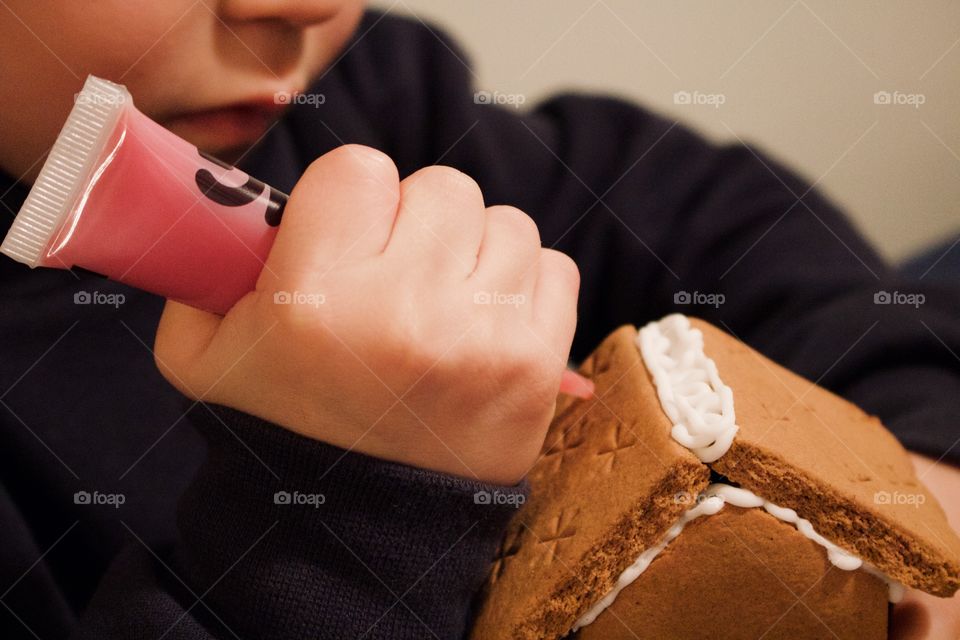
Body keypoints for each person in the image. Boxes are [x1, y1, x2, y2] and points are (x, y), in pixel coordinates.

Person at [0, 1, 957, 638]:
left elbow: (715, 217)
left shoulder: (360, 98)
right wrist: (347, 507)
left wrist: (916, 448)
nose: (299, 5)